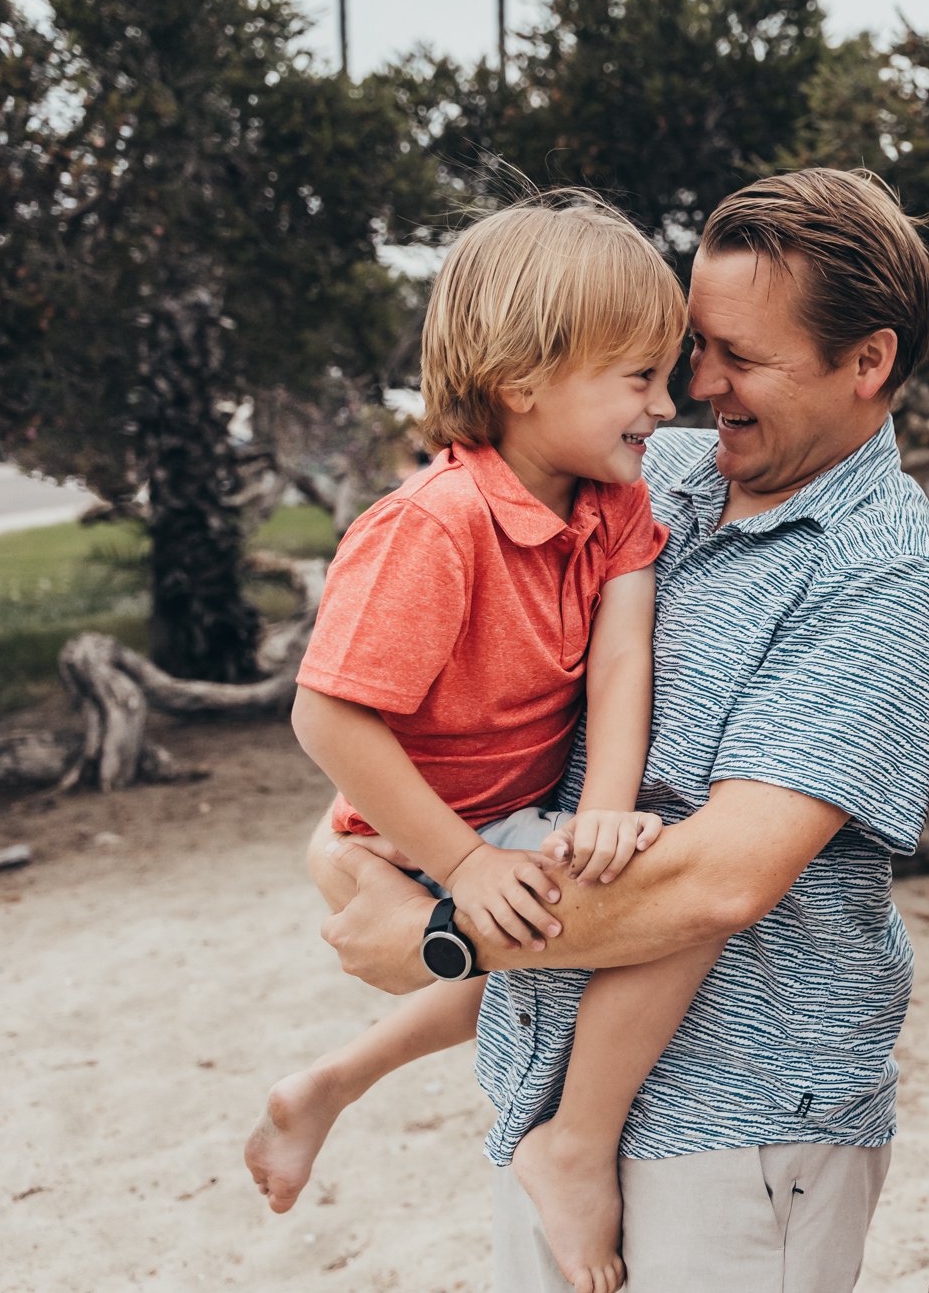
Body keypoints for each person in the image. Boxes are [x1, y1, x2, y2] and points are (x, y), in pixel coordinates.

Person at [308, 168, 929, 1293]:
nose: (694, 388)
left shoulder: (880, 565)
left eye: (735, 358)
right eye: (686, 347)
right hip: (540, 1075)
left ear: (868, 363)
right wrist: (359, 846)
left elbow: (718, 883)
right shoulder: (632, 474)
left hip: (739, 1121)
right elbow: (437, 703)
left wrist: (438, 937)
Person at [244, 190, 723, 1293]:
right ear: (522, 382)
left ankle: (326, 1085)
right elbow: (324, 714)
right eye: (637, 378)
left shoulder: (614, 504)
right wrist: (460, 865)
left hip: (509, 818)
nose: (666, 404)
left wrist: (605, 803)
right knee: (685, 906)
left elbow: (619, 659)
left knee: (658, 896)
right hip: (428, 827)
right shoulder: (434, 526)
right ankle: (572, 1145)